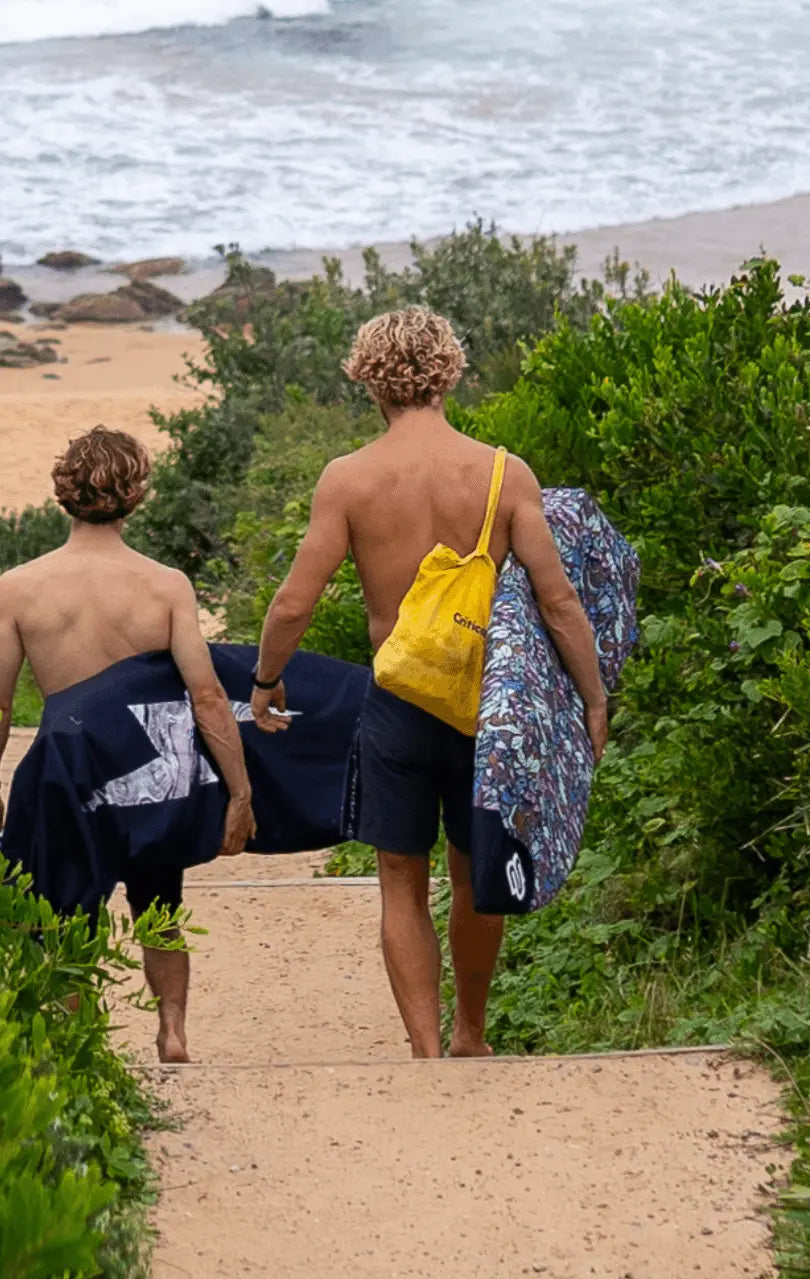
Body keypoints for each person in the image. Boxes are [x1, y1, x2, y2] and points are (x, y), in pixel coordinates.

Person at [252, 307, 607, 1059]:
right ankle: (472, 1035)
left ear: (366, 377)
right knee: (477, 873)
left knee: (400, 881)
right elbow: (558, 599)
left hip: (400, 705)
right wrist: (593, 697)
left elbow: (294, 601)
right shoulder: (506, 473)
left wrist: (266, 678)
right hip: (485, 705)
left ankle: (423, 1046)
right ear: (450, 371)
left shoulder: (348, 479)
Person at [0, 426, 256, 1062]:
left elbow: (0, 705)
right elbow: (207, 698)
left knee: (60, 915)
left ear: (63, 491)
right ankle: (171, 1031)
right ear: (136, 493)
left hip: (64, 773)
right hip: (147, 774)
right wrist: (239, 790)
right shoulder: (165, 586)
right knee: (159, 904)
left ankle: (76, 1045)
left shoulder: (19, 587)